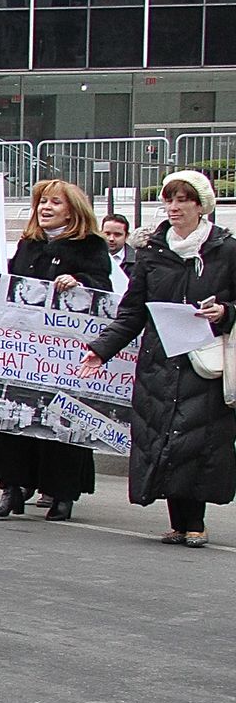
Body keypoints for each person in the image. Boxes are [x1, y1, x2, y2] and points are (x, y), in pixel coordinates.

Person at [80, 170, 236, 547]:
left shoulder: (227, 250)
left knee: (197, 442)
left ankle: (195, 521)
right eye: (169, 199)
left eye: (183, 200)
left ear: (201, 206)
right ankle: (177, 522)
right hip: (160, 361)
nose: (174, 207)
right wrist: (101, 349)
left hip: (204, 362)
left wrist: (226, 312)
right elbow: (133, 311)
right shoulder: (152, 253)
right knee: (163, 439)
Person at [0, 179, 110, 523]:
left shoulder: (90, 245)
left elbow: (104, 289)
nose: (45, 208)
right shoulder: (29, 244)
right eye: (42, 202)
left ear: (72, 210)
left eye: (54, 202)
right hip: (24, 351)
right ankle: (12, 487)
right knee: (10, 418)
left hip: (63, 354)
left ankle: (61, 493)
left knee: (61, 423)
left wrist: (81, 283)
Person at [102, 212, 136, 296]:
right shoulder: (90, 258)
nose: (111, 239)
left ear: (126, 236)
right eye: (107, 234)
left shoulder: (138, 261)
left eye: (117, 235)